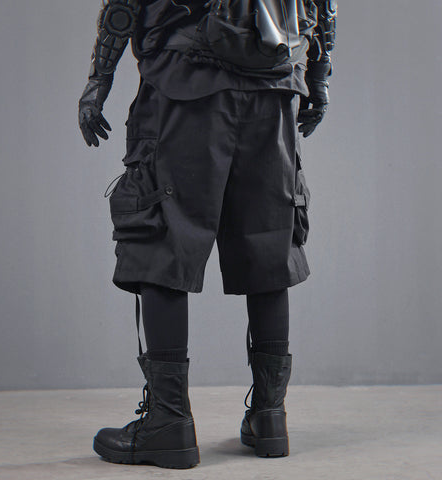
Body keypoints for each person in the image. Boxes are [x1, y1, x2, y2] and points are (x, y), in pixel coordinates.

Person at [78, 0, 337, 469]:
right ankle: (270, 417)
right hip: (275, 86)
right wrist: (318, 79)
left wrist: (99, 80)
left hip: (185, 85)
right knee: (268, 240)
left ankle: (169, 422)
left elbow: (123, 6)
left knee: (163, 236)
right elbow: (322, 5)